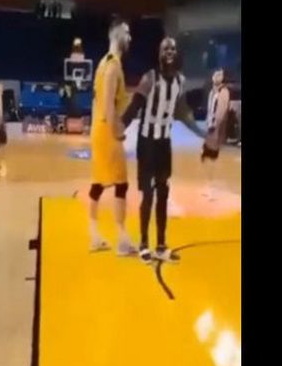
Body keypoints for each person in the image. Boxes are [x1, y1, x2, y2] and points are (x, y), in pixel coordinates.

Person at [120, 37, 199, 263]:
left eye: (173, 48)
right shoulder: (150, 78)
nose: (170, 51)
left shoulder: (180, 81)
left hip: (164, 143)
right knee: (148, 194)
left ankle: (161, 244)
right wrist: (119, 127)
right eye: (165, 48)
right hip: (147, 142)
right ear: (159, 53)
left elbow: (182, 112)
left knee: (163, 193)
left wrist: (202, 133)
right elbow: (134, 106)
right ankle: (144, 244)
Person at [88, 17, 136, 255]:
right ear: (117, 35)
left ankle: (94, 236)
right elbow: (108, 105)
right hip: (107, 131)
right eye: (126, 33)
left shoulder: (103, 62)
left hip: (98, 129)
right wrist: (117, 130)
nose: (130, 37)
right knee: (121, 184)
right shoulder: (113, 65)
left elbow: (102, 101)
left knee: (98, 184)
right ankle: (122, 240)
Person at [201, 69, 231, 200]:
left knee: (212, 158)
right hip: (209, 129)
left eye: (219, 75)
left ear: (222, 78)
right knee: (205, 157)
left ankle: (212, 189)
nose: (215, 76)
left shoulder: (224, 92)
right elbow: (209, 111)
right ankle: (209, 185)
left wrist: (214, 127)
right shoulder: (212, 91)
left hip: (215, 131)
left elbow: (221, 113)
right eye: (215, 74)